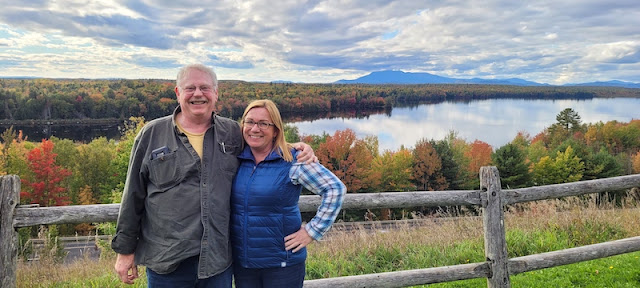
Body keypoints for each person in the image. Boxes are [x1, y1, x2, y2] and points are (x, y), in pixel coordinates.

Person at [111, 64, 316, 287]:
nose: (198, 94)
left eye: (205, 88)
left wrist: (295, 148)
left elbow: (261, 141)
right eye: (190, 88)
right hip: (167, 262)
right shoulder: (152, 134)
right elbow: (133, 195)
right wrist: (125, 251)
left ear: (216, 93)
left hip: (217, 263)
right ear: (178, 93)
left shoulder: (231, 133)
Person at [231, 99, 346, 288]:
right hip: (244, 264)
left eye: (263, 124)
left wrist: (312, 231)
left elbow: (335, 189)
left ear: (275, 129)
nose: (255, 128)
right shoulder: (237, 157)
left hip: (282, 264)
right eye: (249, 122)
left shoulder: (293, 160)